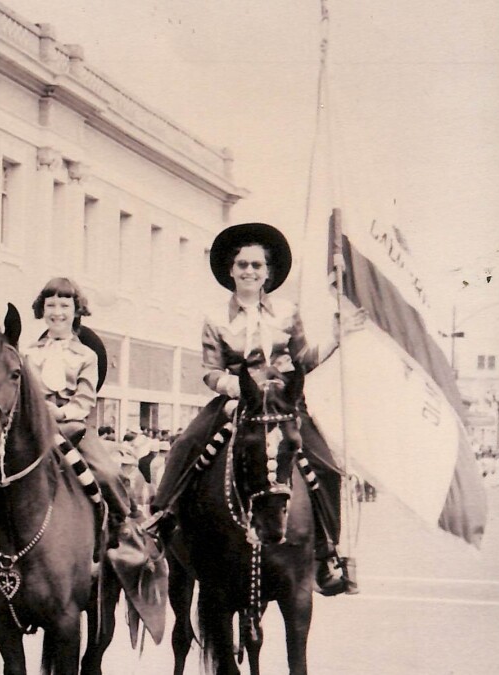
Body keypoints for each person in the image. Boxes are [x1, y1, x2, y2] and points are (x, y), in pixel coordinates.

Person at [145, 222, 356, 596]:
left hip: (283, 404)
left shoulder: (287, 313)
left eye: (257, 266)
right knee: (185, 446)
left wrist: (337, 339)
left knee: (326, 465)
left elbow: (303, 358)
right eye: (242, 264)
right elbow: (210, 370)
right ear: (230, 270)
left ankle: (327, 555)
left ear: (267, 272)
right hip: (235, 403)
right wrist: (236, 388)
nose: (249, 271)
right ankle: (160, 524)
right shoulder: (215, 317)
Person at [20, 278, 128, 509]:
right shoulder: (28, 352)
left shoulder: (87, 356)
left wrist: (59, 413)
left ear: (76, 310)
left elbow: (84, 401)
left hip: (73, 427)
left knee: (107, 474)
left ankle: (124, 524)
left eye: (64, 306)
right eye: (50, 305)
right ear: (42, 309)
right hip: (33, 426)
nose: (57, 313)